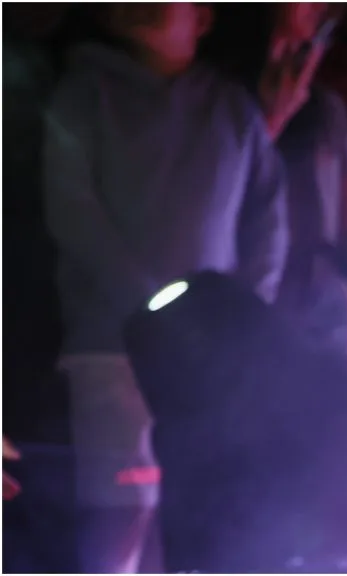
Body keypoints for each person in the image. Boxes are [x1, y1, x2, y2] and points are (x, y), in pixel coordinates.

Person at [43, 4, 289, 572]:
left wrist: (241, 321)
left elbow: (269, 221)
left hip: (214, 359)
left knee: (201, 516)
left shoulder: (231, 107)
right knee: (121, 510)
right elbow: (73, 213)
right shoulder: (84, 94)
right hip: (110, 350)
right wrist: (157, 315)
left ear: (203, 17)